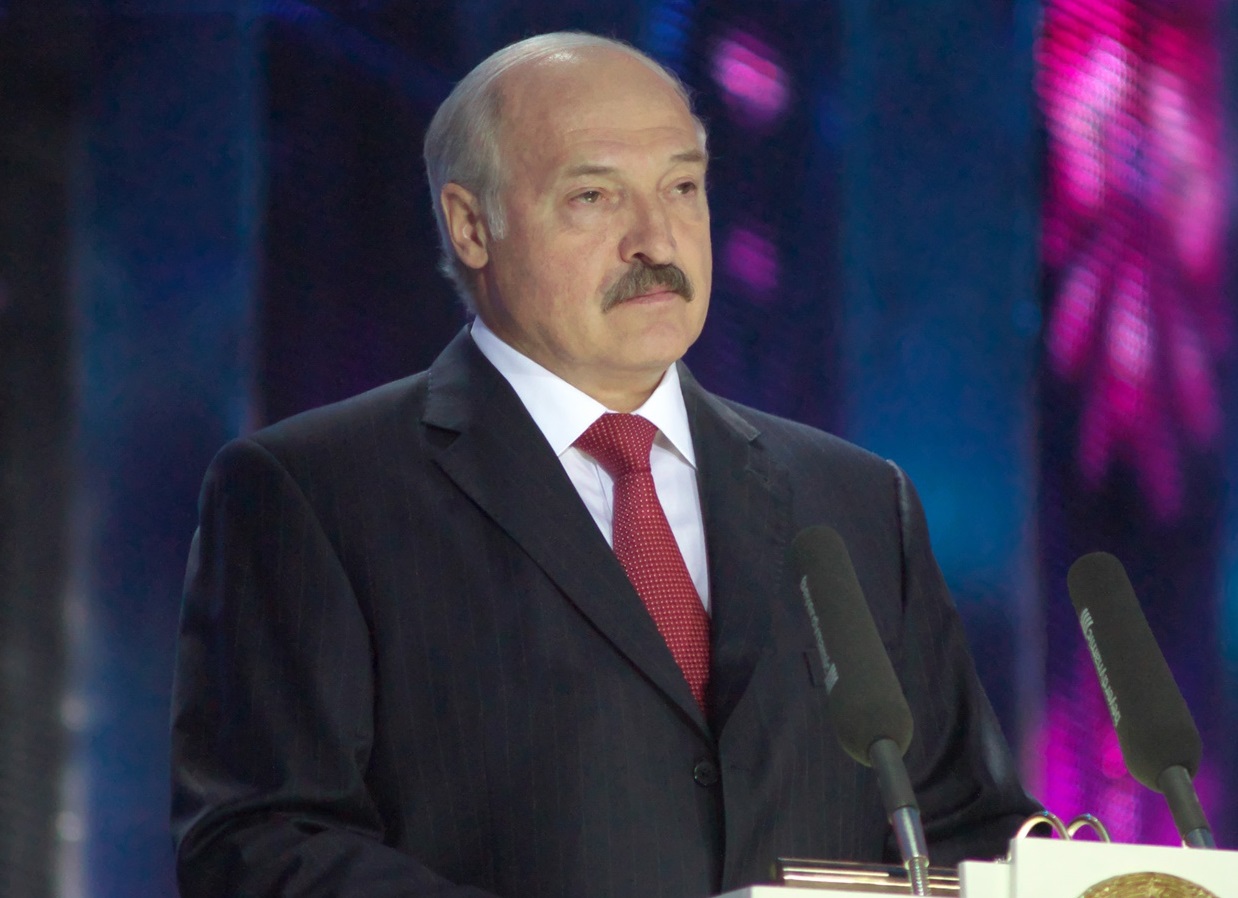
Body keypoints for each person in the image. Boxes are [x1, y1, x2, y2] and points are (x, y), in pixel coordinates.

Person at [170, 31, 1039, 898]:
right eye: (593, 196)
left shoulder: (855, 501)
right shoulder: (312, 492)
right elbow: (264, 846)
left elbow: (966, 829)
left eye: (682, 187)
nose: (656, 240)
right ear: (471, 226)